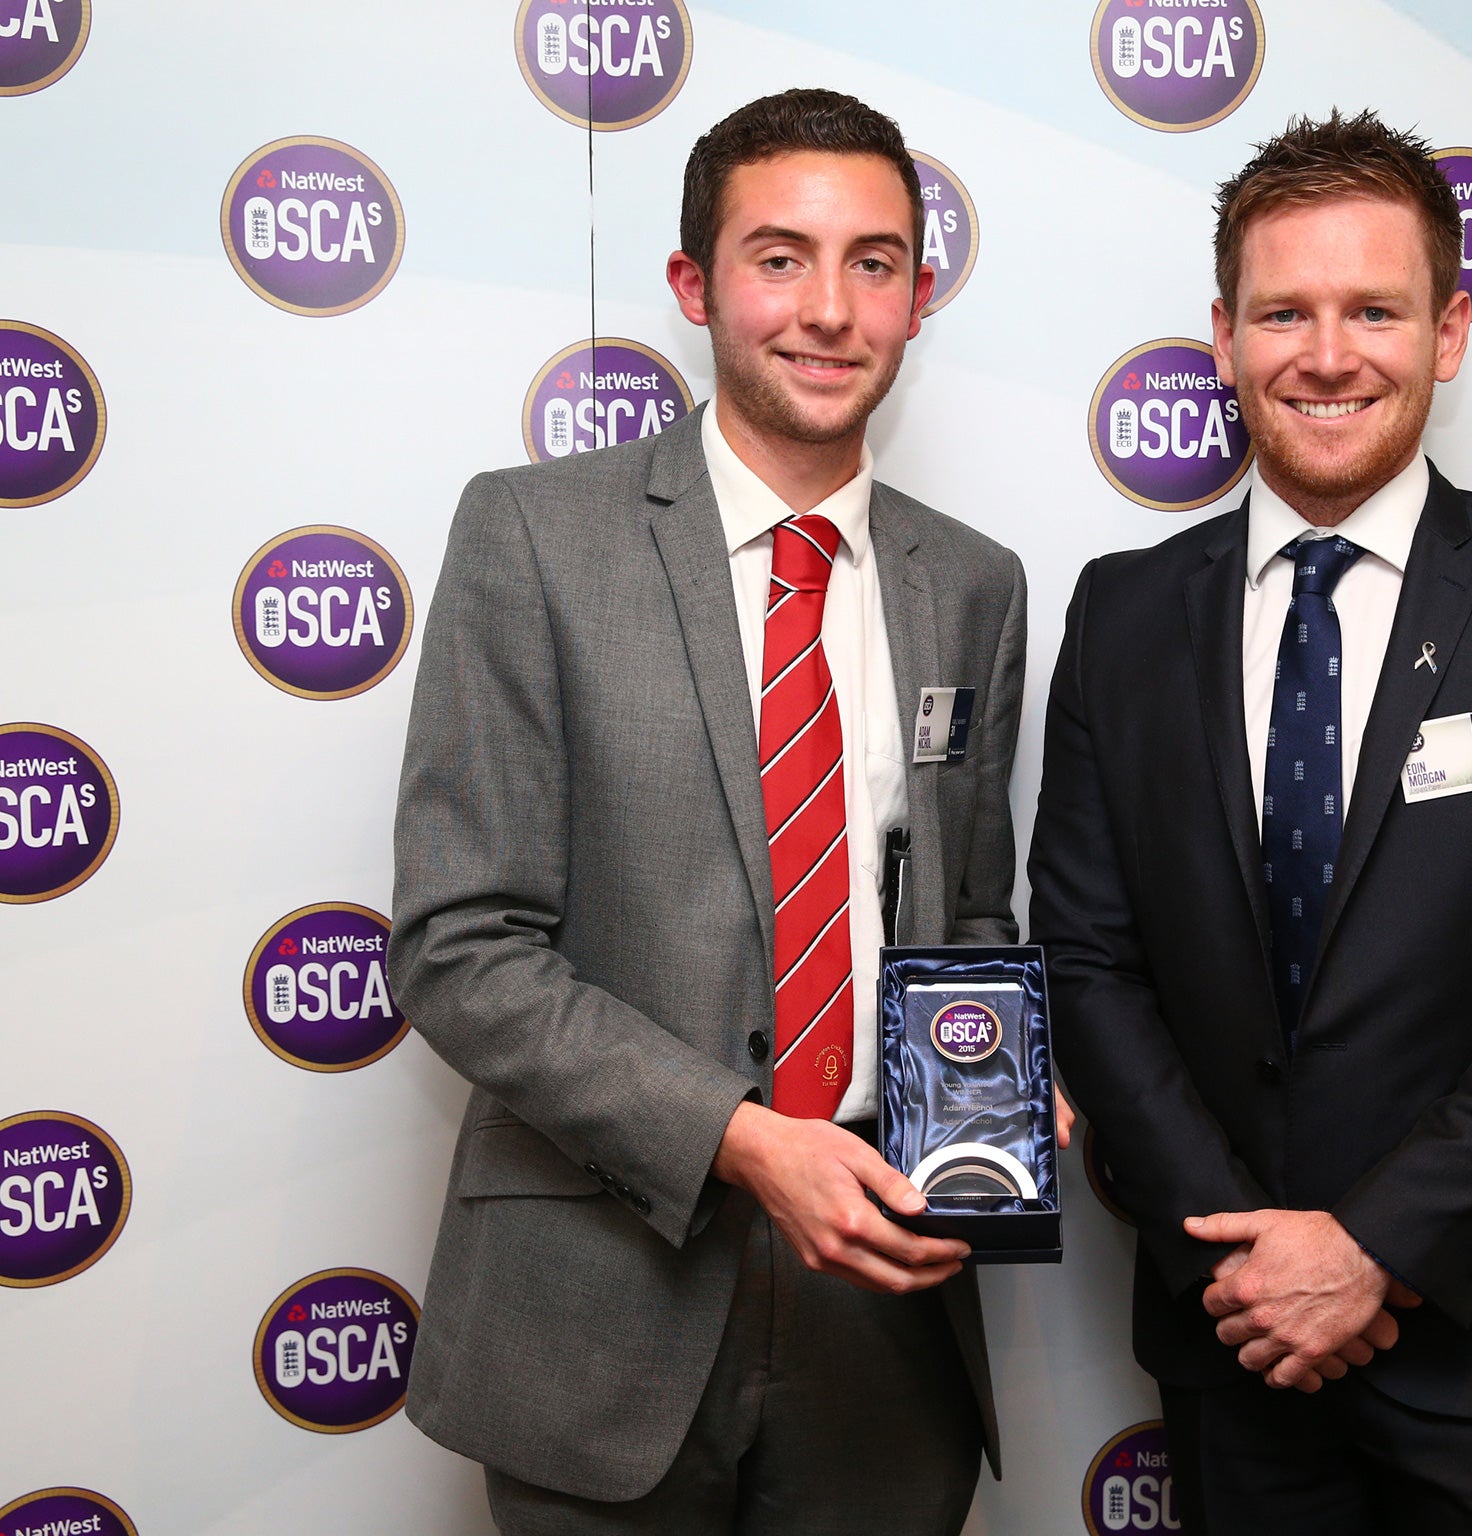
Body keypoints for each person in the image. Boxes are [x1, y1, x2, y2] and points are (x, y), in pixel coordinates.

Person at [391, 88, 1051, 1535]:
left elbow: (974, 911)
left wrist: (1006, 1093)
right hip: (601, 1295)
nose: (829, 309)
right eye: (779, 258)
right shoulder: (532, 536)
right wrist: (747, 1141)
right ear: (695, 285)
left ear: (918, 298)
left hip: (887, 1294)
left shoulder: (976, 583)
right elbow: (461, 944)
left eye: (873, 263)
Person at [1029, 109, 1472, 1534]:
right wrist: (1256, 1265)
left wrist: (1377, 1249)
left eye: (1374, 309)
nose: (1328, 355)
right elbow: (1087, 965)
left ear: (1448, 331)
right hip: (1237, 1335)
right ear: (1224, 335)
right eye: (1285, 311)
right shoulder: (1125, 614)